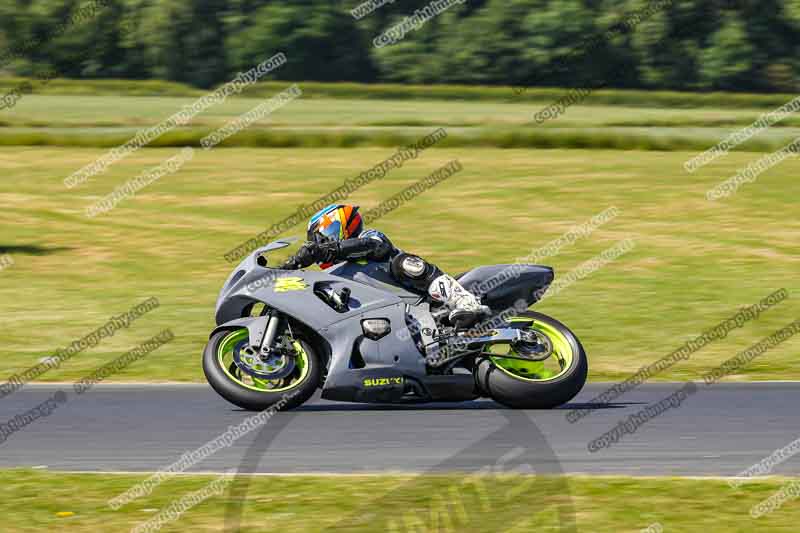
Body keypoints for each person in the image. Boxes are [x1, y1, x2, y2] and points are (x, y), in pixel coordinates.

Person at [282, 203, 487, 326]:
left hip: (422, 302)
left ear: (334, 228)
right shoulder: (338, 273)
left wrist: (326, 250)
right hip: (388, 318)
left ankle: (465, 302)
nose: (317, 244)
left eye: (319, 238)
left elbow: (375, 246)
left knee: (404, 263)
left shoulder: (369, 237)